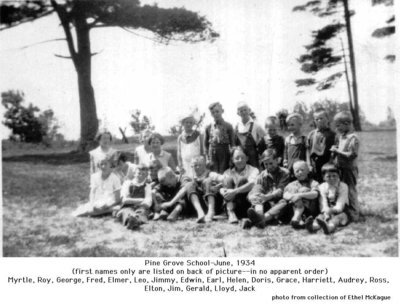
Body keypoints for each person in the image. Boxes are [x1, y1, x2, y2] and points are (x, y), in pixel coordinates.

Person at [246, 149, 291, 229]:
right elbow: (254, 191)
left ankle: (260, 220)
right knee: (257, 187)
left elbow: (281, 190)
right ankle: (259, 214)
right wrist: (251, 197)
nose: (269, 166)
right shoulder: (262, 175)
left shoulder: (285, 173)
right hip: (264, 205)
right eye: (266, 164)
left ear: (277, 160)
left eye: (271, 163)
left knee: (284, 203)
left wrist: (267, 197)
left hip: (278, 204)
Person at [330, 111, 360, 222]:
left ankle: (355, 214)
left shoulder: (353, 138)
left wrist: (337, 151)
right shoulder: (342, 136)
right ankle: (345, 211)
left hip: (349, 170)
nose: (337, 128)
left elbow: (352, 155)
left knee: (351, 190)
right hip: (340, 168)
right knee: (342, 190)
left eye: (338, 125)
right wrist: (335, 149)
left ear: (347, 123)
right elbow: (339, 149)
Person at [305, 163, 350, 234]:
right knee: (320, 217)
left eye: (334, 176)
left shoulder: (343, 186)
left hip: (340, 211)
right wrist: (326, 212)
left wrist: (333, 210)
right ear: (323, 177)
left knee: (337, 218)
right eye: (328, 176)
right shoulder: (322, 187)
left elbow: (340, 203)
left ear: (339, 175)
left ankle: (329, 227)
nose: (332, 178)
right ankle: (313, 226)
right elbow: (323, 202)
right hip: (326, 210)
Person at [220, 147, 259, 224]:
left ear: (247, 158)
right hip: (231, 205)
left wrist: (234, 191)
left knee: (243, 180)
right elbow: (221, 187)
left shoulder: (253, 170)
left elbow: (252, 184)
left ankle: (232, 212)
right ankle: (231, 213)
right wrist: (224, 192)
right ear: (232, 160)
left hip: (245, 203)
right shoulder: (227, 172)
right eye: (237, 158)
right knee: (227, 180)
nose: (240, 160)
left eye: (242, 157)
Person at [186, 156, 223, 223]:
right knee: (189, 184)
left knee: (207, 181)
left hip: (213, 203)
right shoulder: (191, 177)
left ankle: (211, 211)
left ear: (204, 166)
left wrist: (218, 187)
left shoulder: (211, 174)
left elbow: (225, 179)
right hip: (201, 204)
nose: (197, 167)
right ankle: (200, 213)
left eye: (200, 165)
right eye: (195, 165)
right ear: (192, 167)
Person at [283, 160, 319, 229]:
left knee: (303, 190)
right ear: (294, 173)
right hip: (294, 208)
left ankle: (297, 218)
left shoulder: (313, 182)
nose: (300, 172)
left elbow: (315, 194)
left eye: (302, 170)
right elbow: (285, 195)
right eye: (297, 171)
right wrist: (292, 196)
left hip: (309, 209)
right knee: (292, 191)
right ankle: (298, 219)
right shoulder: (291, 184)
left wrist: (300, 195)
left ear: (308, 171)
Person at [115, 164, 152, 230]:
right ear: (134, 173)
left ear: (146, 176)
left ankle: (135, 220)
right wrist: (141, 200)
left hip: (141, 208)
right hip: (127, 207)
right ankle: (131, 219)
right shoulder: (127, 183)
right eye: (139, 173)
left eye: (143, 174)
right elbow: (124, 200)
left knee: (142, 212)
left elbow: (148, 203)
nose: (140, 175)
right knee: (126, 212)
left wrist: (131, 200)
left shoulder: (147, 186)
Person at [204, 102, 235, 174]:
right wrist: (207, 159)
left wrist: (231, 158)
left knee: (224, 173)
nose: (215, 114)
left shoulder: (228, 126)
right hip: (212, 154)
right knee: (214, 174)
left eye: (217, 111)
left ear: (222, 111)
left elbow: (233, 145)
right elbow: (205, 145)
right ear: (211, 114)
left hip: (225, 153)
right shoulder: (208, 127)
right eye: (213, 112)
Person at [306, 108, 336, 182]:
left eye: (321, 118)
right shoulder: (311, 134)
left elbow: (335, 151)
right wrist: (309, 164)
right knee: (315, 183)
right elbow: (307, 149)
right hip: (314, 164)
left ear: (327, 119)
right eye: (317, 119)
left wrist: (331, 162)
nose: (319, 121)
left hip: (326, 162)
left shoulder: (333, 135)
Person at [234, 102, 265, 168]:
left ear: (249, 110)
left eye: (245, 110)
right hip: (240, 156)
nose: (243, 112)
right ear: (238, 113)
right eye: (241, 111)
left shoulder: (256, 125)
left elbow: (264, 137)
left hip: (252, 156)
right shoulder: (236, 126)